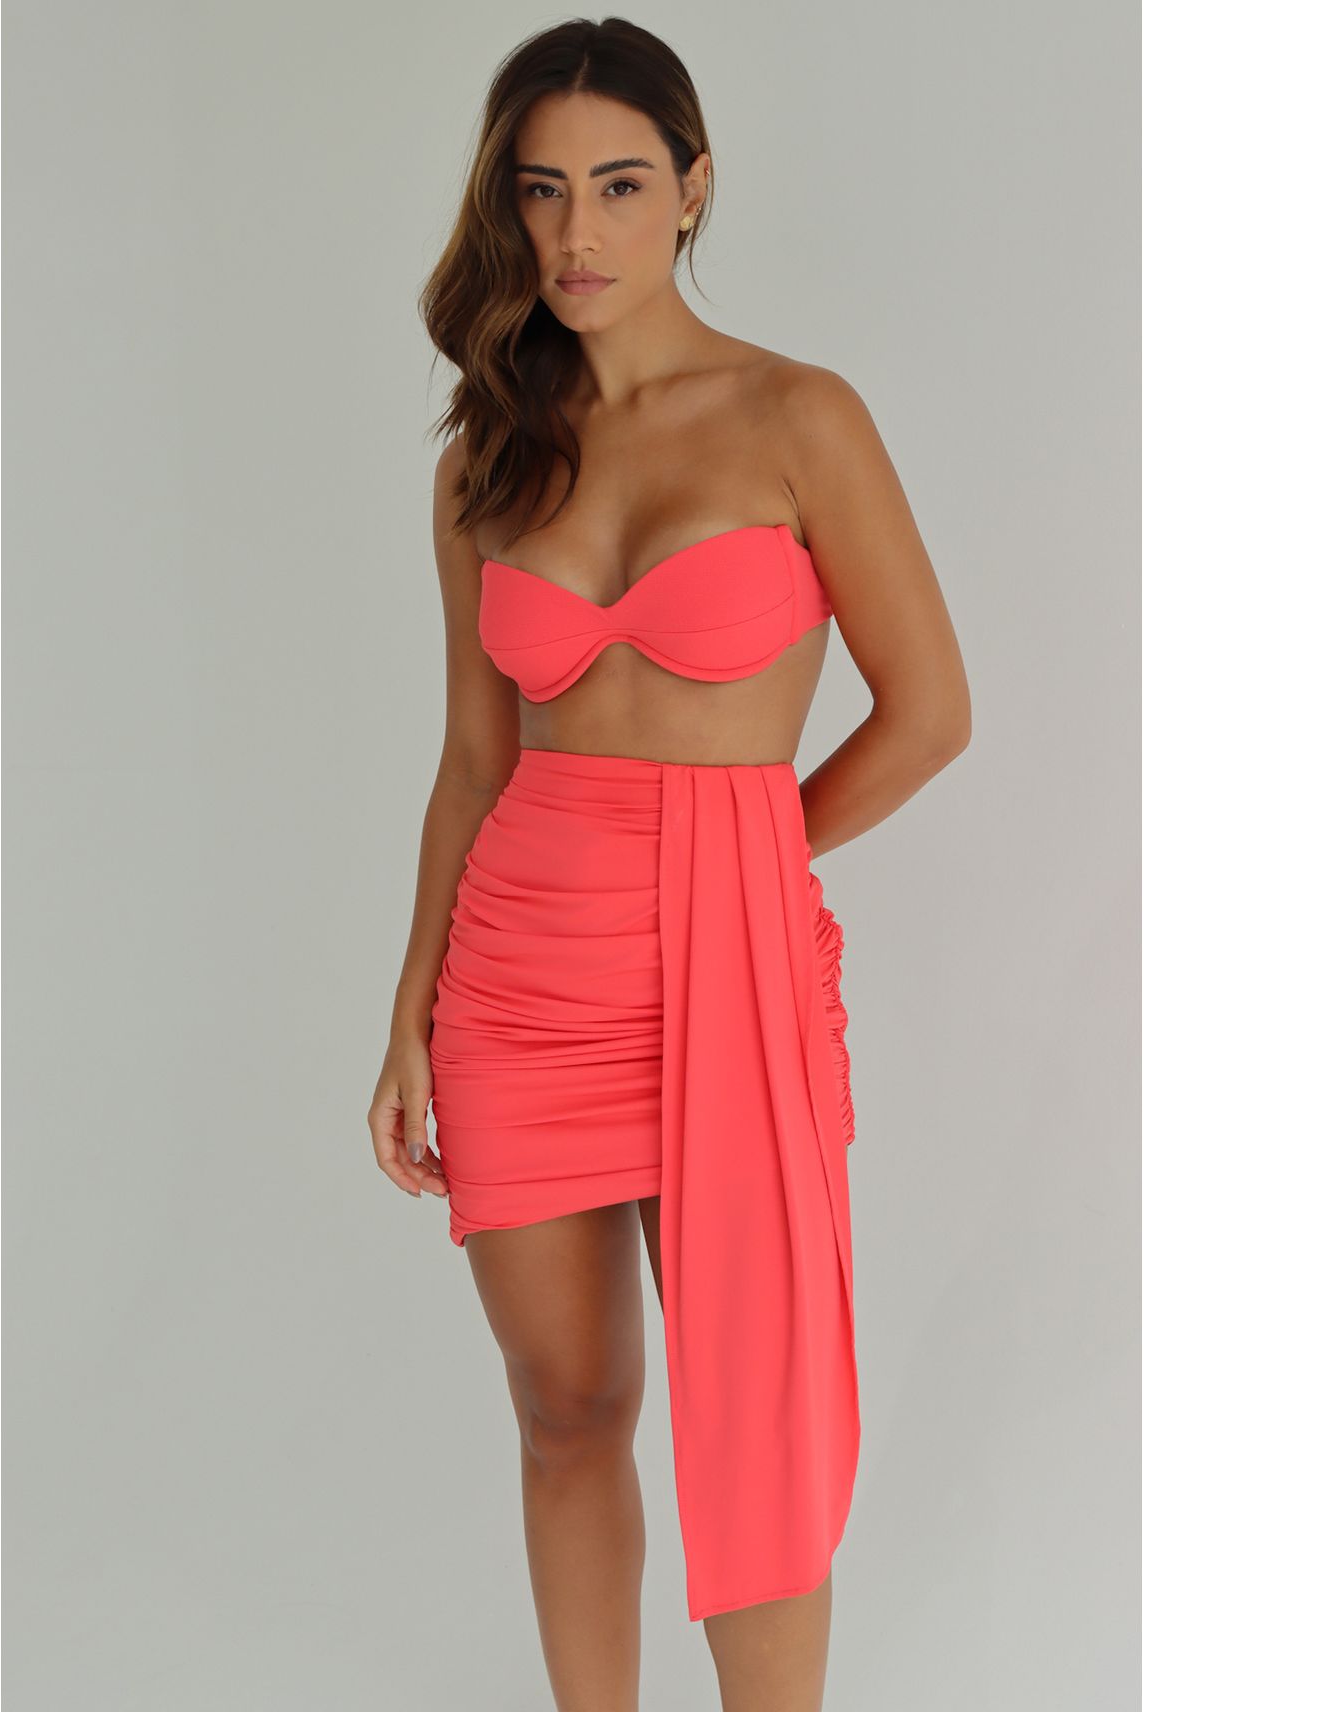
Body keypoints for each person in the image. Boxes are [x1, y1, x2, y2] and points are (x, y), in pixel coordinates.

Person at [368, 18, 970, 1710]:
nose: (578, 233)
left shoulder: (797, 416)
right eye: (541, 191)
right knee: (565, 1405)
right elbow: (473, 761)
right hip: (520, 973)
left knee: (752, 1414)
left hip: (730, 959)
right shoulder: (486, 457)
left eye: (620, 187)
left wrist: (747, 861)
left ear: (693, 190)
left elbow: (929, 711)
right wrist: (407, 1010)